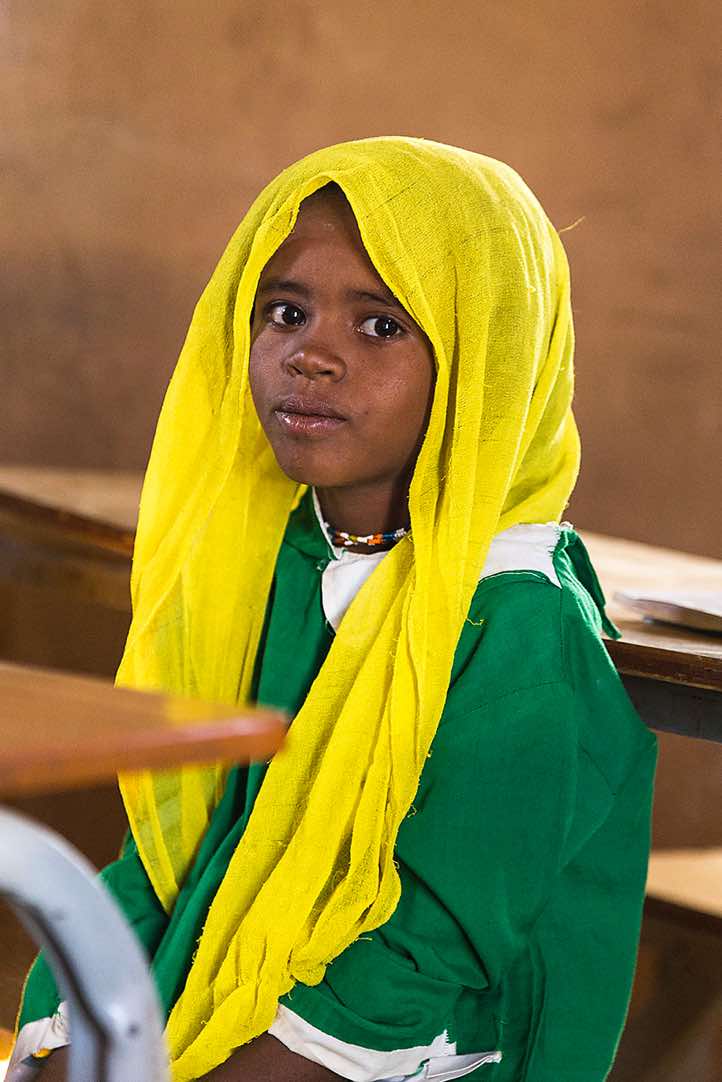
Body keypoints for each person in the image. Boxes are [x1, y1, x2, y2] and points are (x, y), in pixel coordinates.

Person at [9, 137, 657, 1082]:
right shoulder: (271, 567)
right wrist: (77, 1043)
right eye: (285, 312)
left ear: (489, 358)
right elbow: (175, 857)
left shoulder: (522, 633)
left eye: (382, 326)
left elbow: (415, 963)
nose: (311, 355)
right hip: (206, 1020)